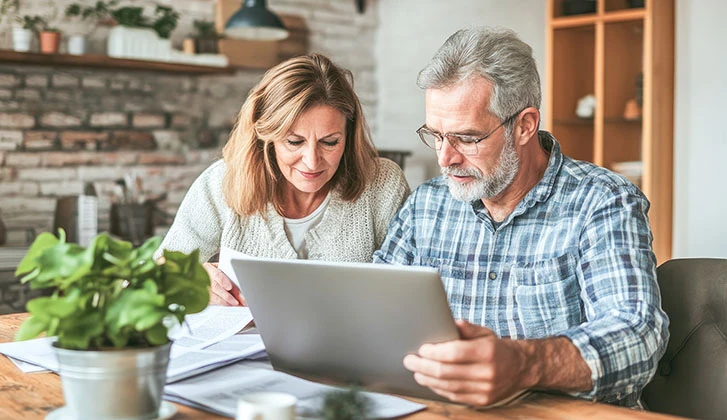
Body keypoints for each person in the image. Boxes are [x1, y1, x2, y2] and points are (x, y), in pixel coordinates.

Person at [373, 27, 668, 408]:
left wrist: (525, 363)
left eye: (467, 138)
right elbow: (375, 313)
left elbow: (637, 335)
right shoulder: (426, 206)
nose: (445, 158)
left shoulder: (602, 201)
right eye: (436, 135)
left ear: (525, 125)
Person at [158, 53, 410, 305]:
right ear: (266, 137)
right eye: (294, 141)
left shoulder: (382, 183)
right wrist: (195, 278)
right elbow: (159, 272)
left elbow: (409, 288)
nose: (312, 161)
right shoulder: (223, 181)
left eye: (330, 142)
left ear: (349, 134)